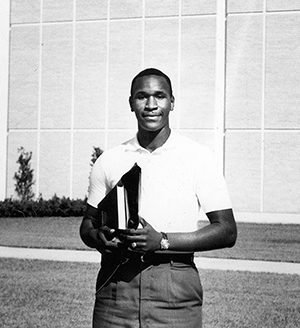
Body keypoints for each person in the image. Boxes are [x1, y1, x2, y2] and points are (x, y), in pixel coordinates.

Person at [80, 68, 237, 328]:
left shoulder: (198, 157)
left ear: (172, 102)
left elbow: (227, 231)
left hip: (174, 283)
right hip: (117, 286)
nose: (151, 105)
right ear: (131, 102)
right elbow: (87, 224)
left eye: (160, 96)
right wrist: (98, 237)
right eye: (142, 96)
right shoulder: (109, 159)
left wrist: (161, 241)